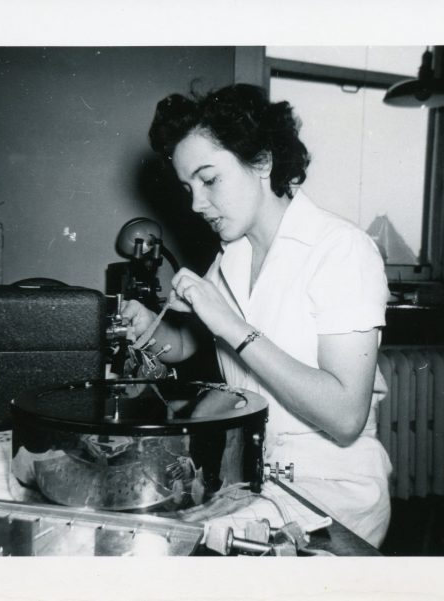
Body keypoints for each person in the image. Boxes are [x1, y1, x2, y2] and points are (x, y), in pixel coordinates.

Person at [122, 84, 392, 547]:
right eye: (188, 187)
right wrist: (152, 330)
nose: (195, 204)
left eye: (210, 180)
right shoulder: (232, 256)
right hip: (251, 480)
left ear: (263, 162)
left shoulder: (341, 250)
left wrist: (233, 326)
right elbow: (189, 343)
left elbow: (346, 416)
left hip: (329, 498)